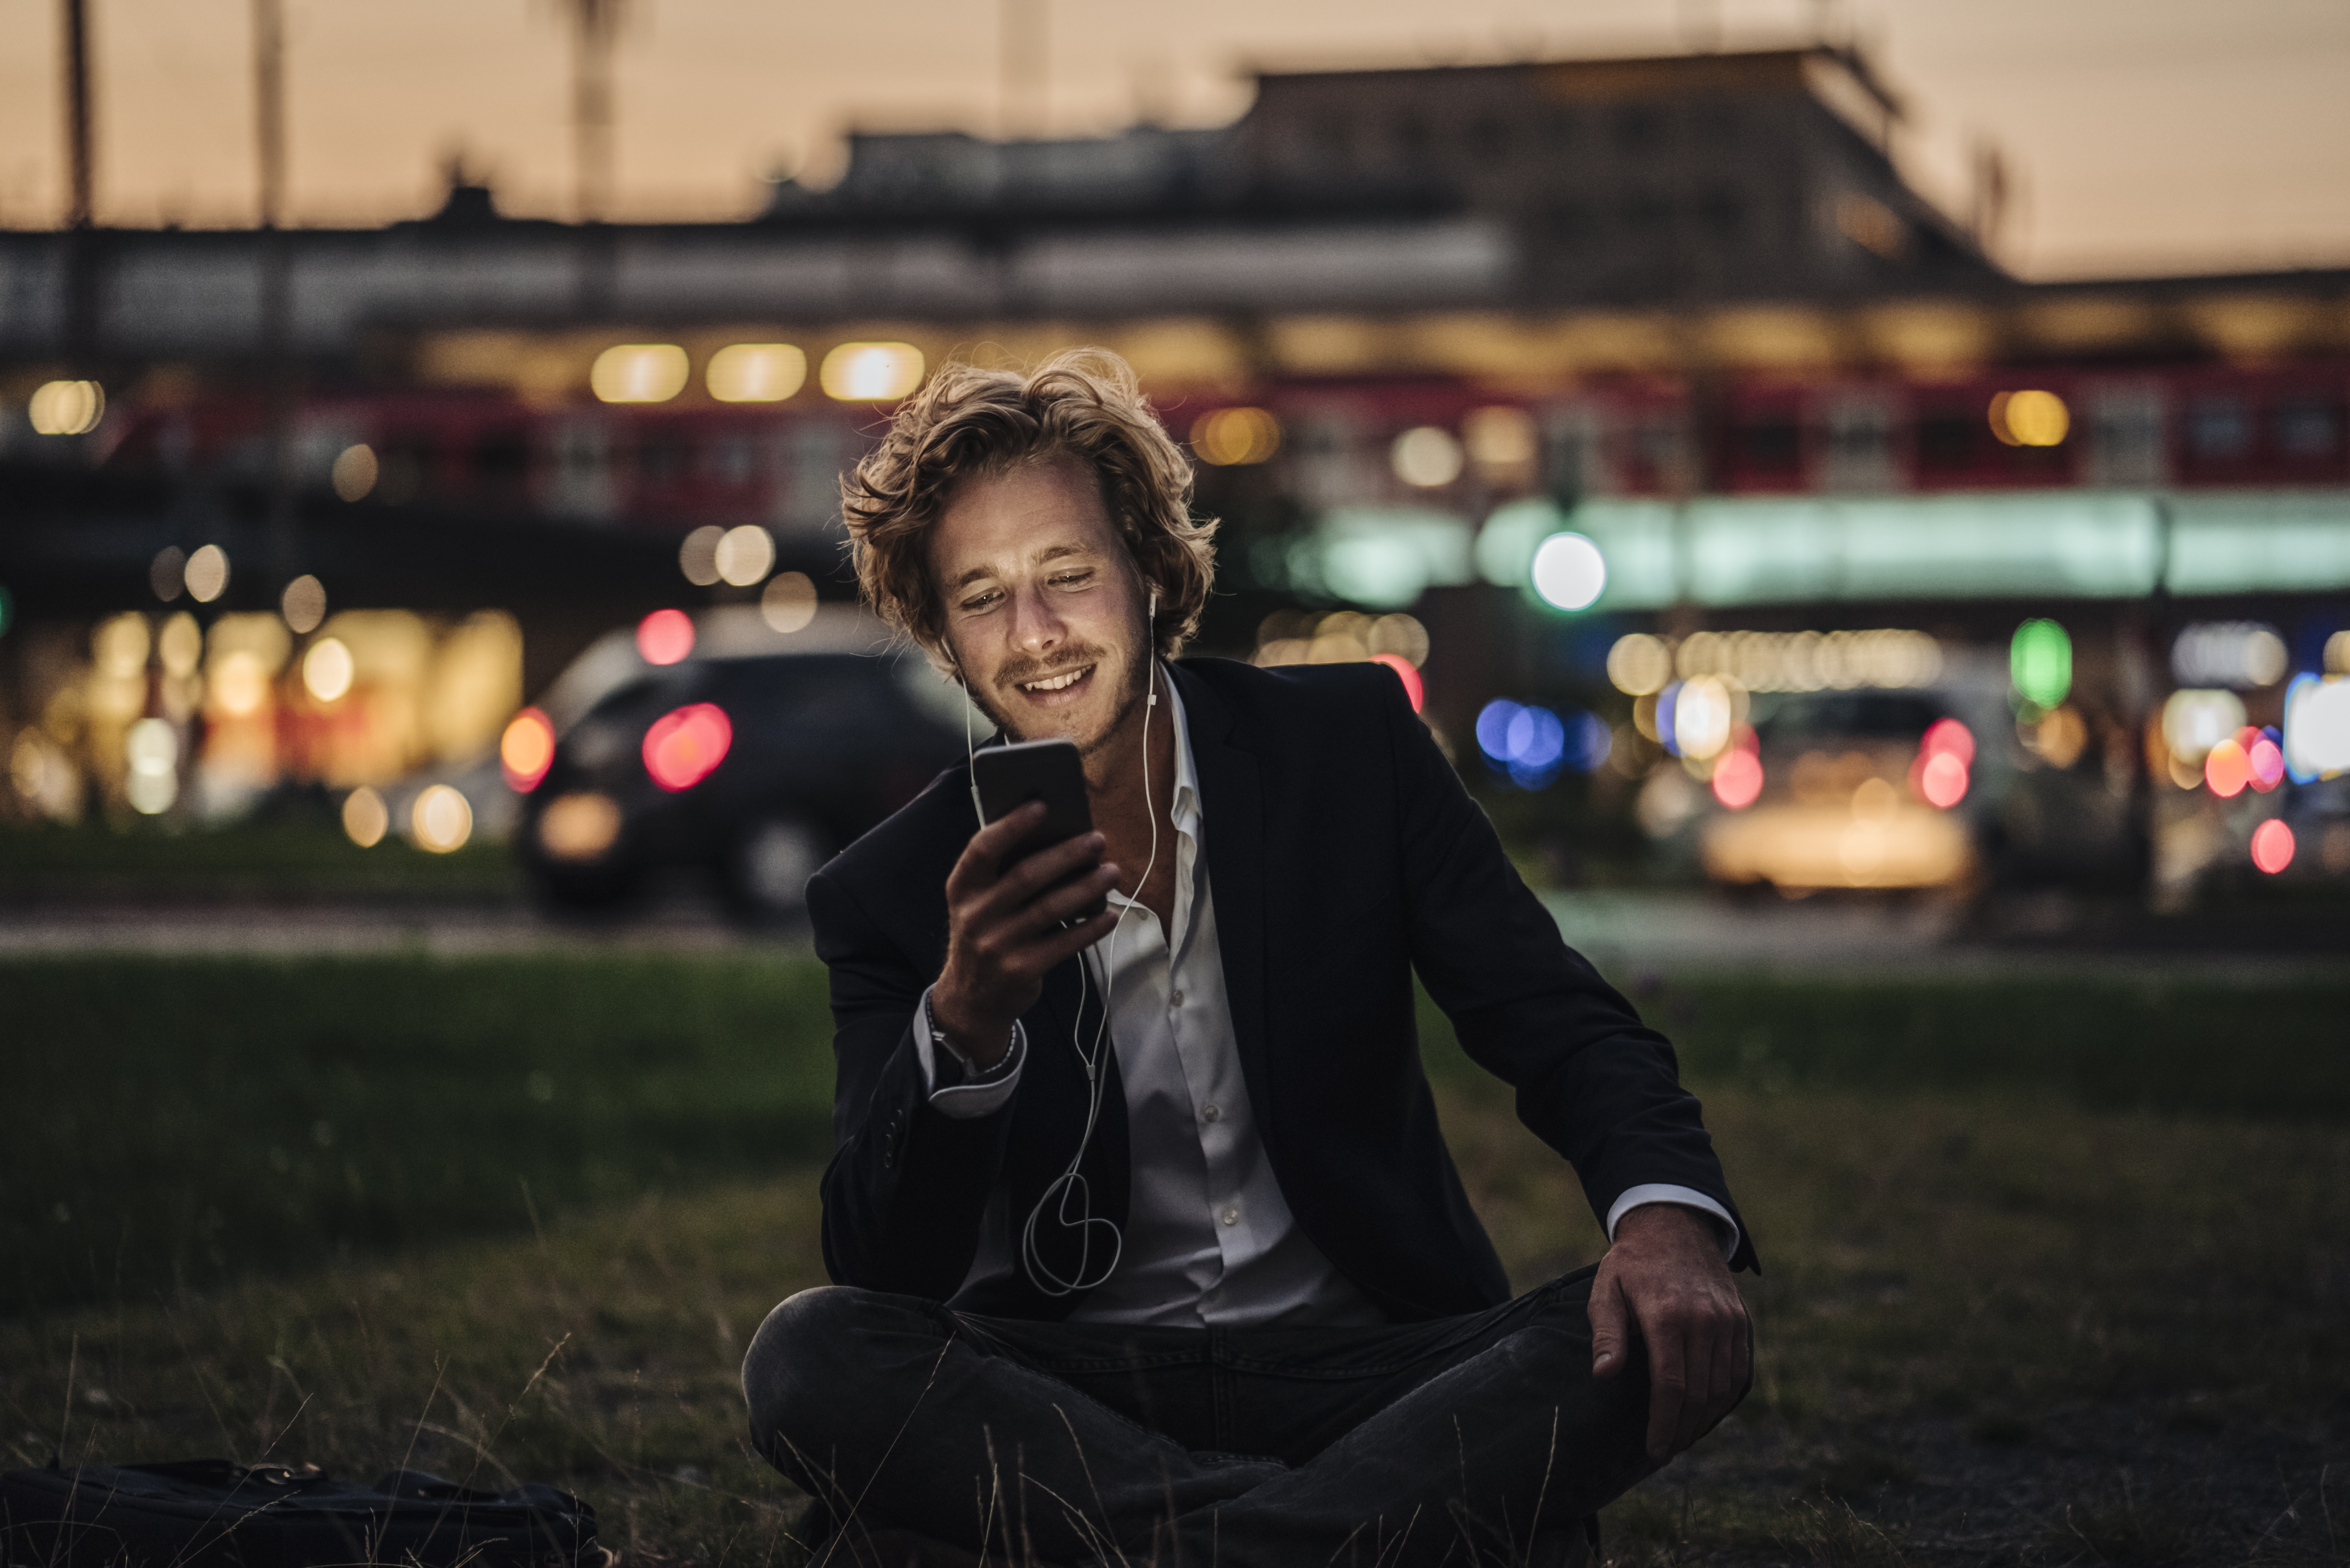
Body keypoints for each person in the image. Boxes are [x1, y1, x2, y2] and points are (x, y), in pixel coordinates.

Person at [742, 349, 1756, 1568]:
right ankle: (1337, 1537)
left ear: (1150, 575)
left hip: (1374, 1368)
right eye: (983, 596)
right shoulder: (891, 893)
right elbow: (880, 1267)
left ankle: (1176, 1546)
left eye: (1068, 574)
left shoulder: (1350, 749)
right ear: (946, 641)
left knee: (1642, 1327)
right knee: (809, 1355)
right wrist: (965, 1022)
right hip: (1088, 1396)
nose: (1036, 634)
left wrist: (1664, 1223)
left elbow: (1557, 1020)